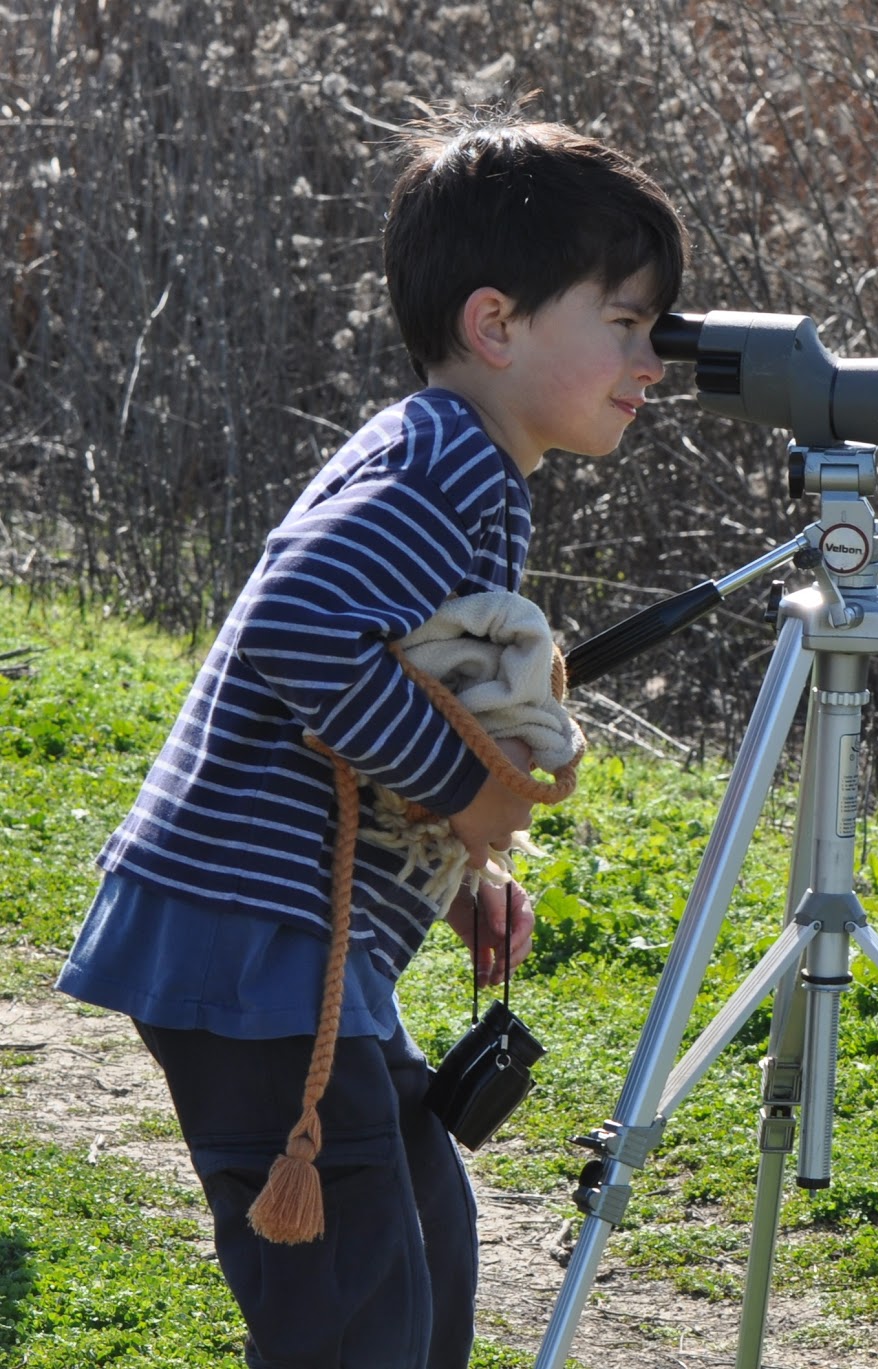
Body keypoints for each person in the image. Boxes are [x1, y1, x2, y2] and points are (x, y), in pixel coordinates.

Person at [56, 111, 687, 1368]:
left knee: (422, 1256)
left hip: (286, 947)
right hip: (256, 946)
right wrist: (463, 790)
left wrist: (456, 873)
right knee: (356, 1318)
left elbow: (379, 679)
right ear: (495, 323)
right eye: (624, 322)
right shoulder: (447, 467)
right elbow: (298, 628)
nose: (652, 362)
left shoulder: (449, 456)